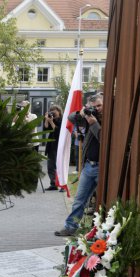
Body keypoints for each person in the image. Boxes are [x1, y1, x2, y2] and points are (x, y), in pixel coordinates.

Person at [55, 94, 103, 236]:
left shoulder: (110, 119)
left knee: (103, 201)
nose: (96, 109)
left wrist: (93, 123)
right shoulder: (88, 118)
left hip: (104, 168)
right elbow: (70, 118)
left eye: (99, 106)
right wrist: (80, 113)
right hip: (89, 166)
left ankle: (100, 230)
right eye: (93, 107)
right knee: (79, 200)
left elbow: (103, 138)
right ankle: (70, 227)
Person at [43, 105, 62, 190]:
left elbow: (58, 131)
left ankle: (61, 184)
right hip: (51, 145)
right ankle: (53, 184)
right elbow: (45, 129)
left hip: (59, 145)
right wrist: (47, 120)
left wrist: (51, 122)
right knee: (50, 166)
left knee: (58, 166)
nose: (53, 113)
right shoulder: (51, 119)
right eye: (52, 111)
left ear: (59, 111)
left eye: (55, 111)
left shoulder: (62, 120)